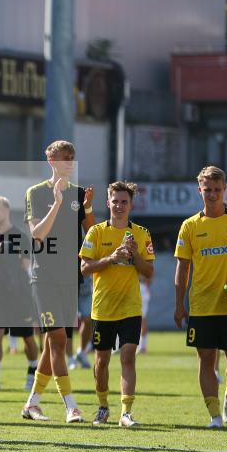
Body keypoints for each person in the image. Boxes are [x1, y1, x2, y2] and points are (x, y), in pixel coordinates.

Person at [174, 166, 227, 428]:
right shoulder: (189, 226)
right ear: (199, 190)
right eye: (207, 190)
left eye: (217, 190)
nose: (212, 194)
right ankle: (214, 416)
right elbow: (183, 268)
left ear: (225, 189)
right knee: (206, 359)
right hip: (201, 305)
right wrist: (179, 304)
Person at [21, 140, 94, 423]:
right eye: (64, 158)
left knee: (57, 345)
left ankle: (32, 404)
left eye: (72, 158)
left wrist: (86, 209)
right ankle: (71, 406)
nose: (69, 163)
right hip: (44, 278)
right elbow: (37, 234)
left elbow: (91, 233)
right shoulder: (37, 193)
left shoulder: (78, 193)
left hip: (70, 278)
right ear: (51, 161)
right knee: (58, 338)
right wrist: (58, 203)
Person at [80, 181, 155, 427]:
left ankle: (126, 412)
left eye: (124, 202)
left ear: (131, 205)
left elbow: (149, 272)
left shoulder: (141, 233)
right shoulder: (96, 232)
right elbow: (84, 268)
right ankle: (102, 406)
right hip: (103, 307)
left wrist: (135, 256)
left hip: (130, 306)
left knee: (128, 357)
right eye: (115, 201)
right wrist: (112, 258)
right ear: (108, 203)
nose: (119, 206)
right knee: (101, 362)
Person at [0, 195, 39, 392]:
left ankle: (33, 369)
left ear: (6, 210)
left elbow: (26, 266)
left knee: (26, 337)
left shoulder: (21, 236)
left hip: (19, 294)